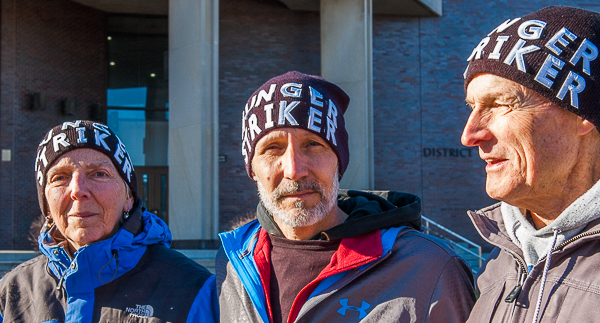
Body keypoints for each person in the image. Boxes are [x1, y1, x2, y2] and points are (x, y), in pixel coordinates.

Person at [217, 71, 475, 322]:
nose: (294, 170)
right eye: (273, 148)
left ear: (338, 161)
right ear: (252, 169)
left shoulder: (429, 269)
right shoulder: (231, 266)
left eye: (313, 144)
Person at [0, 120, 218, 322]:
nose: (77, 190)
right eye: (60, 178)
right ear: (47, 206)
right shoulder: (12, 292)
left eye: (98, 174)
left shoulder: (195, 290)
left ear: (129, 198)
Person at [462, 6, 600, 323]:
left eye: (498, 104)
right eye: (472, 107)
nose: (469, 135)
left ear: (583, 115)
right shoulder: (500, 261)